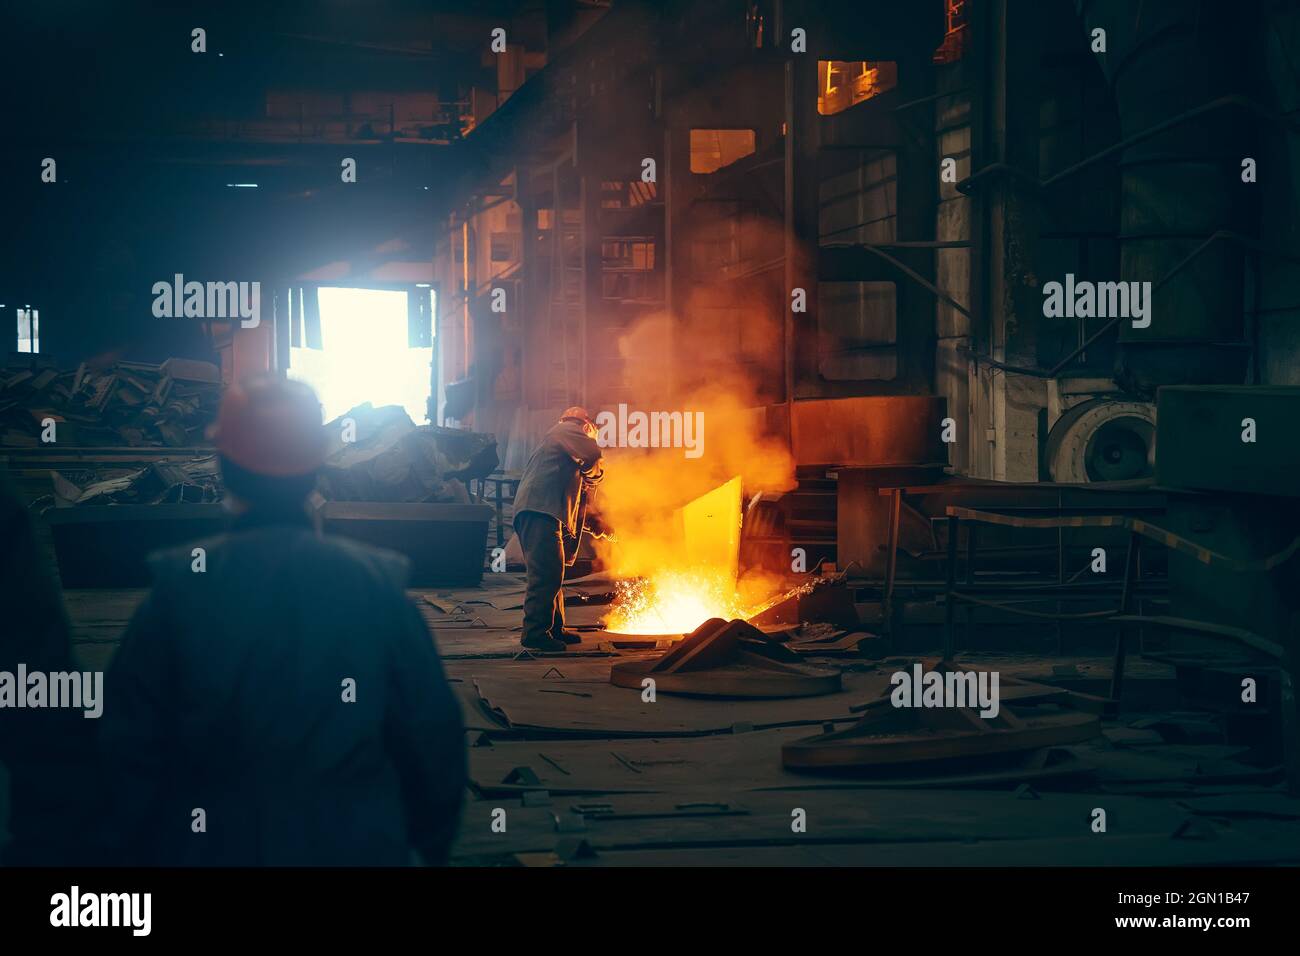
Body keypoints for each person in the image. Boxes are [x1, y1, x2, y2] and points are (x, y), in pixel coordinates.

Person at [97, 375, 465, 865]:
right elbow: (432, 742)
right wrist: (423, 846)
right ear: (316, 467)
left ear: (224, 465)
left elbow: (126, 757)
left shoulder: (179, 589)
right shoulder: (376, 586)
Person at [511, 406, 604, 652]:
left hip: (542, 512)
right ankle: (535, 633)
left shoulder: (562, 448)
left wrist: (600, 527)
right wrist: (595, 476)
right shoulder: (567, 429)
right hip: (539, 512)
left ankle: (554, 628)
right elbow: (593, 455)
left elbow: (579, 505)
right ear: (586, 425)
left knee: (553, 573)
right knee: (546, 576)